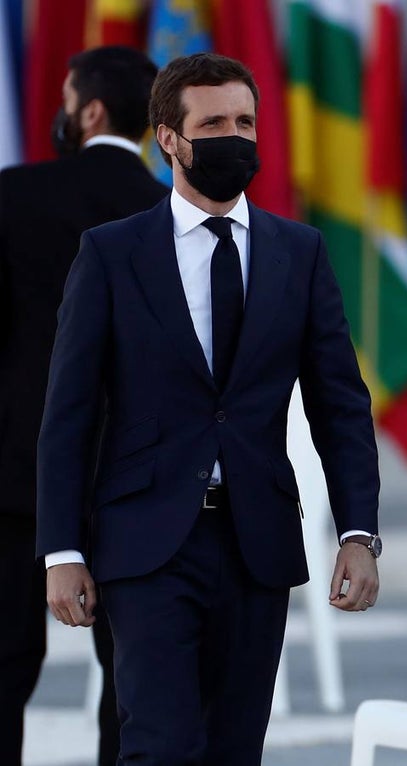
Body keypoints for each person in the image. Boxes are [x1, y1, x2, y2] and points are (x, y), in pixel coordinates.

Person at [35, 52, 382, 765]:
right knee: (160, 745)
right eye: (214, 122)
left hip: (257, 545)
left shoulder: (300, 252)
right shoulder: (110, 254)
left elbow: (340, 405)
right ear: (168, 138)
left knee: (234, 749)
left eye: (246, 121)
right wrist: (62, 550)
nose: (235, 135)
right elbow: (68, 412)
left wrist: (359, 532)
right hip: (145, 544)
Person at [0, 46, 166, 766]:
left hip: (14, 475)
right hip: (136, 482)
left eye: (66, 98)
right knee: (133, 685)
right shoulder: (172, 212)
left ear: (89, 110)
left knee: (1, 670)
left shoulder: (11, 196)